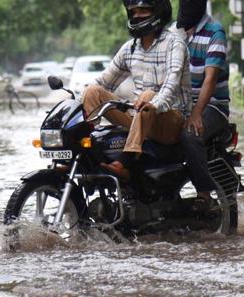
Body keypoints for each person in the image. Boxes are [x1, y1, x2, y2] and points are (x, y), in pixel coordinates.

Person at [82, 0, 191, 178]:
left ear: (158, 12)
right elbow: (103, 82)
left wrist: (154, 103)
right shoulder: (129, 48)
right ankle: (83, 154)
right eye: (134, 11)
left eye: (144, 10)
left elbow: (171, 84)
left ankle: (125, 161)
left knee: (148, 96)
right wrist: (74, 104)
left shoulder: (174, 44)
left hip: (172, 122)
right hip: (139, 118)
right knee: (91, 91)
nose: (137, 15)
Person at [175, 0, 231, 211]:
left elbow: (211, 79)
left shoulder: (215, 32)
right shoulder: (175, 32)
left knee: (190, 133)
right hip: (181, 104)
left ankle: (204, 193)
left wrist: (197, 114)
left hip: (213, 106)